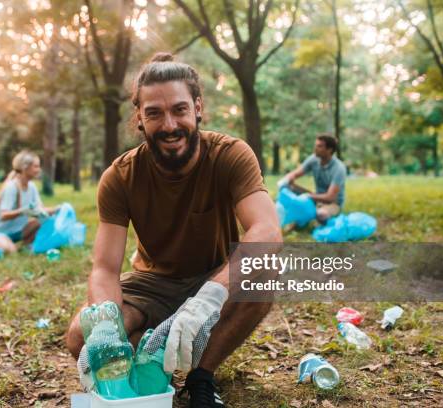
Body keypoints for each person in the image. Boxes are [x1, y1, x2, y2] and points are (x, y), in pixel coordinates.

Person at [65, 53, 281, 407]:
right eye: (154, 113)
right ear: (139, 118)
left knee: (265, 272)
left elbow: (267, 229)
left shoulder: (230, 155)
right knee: (81, 337)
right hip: (152, 283)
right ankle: (148, 362)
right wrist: (106, 323)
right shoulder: (119, 177)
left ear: (198, 108)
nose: (169, 125)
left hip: (214, 275)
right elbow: (104, 267)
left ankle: (201, 377)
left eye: (179, 109)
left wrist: (209, 298)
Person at [0, 150, 58, 253]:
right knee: (9, 251)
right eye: (36, 166)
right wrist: (23, 211)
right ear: (25, 168)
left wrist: (58, 208)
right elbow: (3, 215)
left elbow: (41, 209)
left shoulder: (32, 186)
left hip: (19, 232)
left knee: (45, 218)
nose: (39, 170)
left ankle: (26, 245)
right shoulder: (12, 187)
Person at [277, 134, 346, 222]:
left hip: (332, 203)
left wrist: (308, 196)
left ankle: (310, 215)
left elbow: (330, 197)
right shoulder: (314, 159)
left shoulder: (339, 168)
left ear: (329, 150)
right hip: (315, 198)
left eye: (319, 146)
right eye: (315, 145)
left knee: (321, 215)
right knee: (288, 186)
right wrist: (286, 180)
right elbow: (296, 173)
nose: (315, 148)